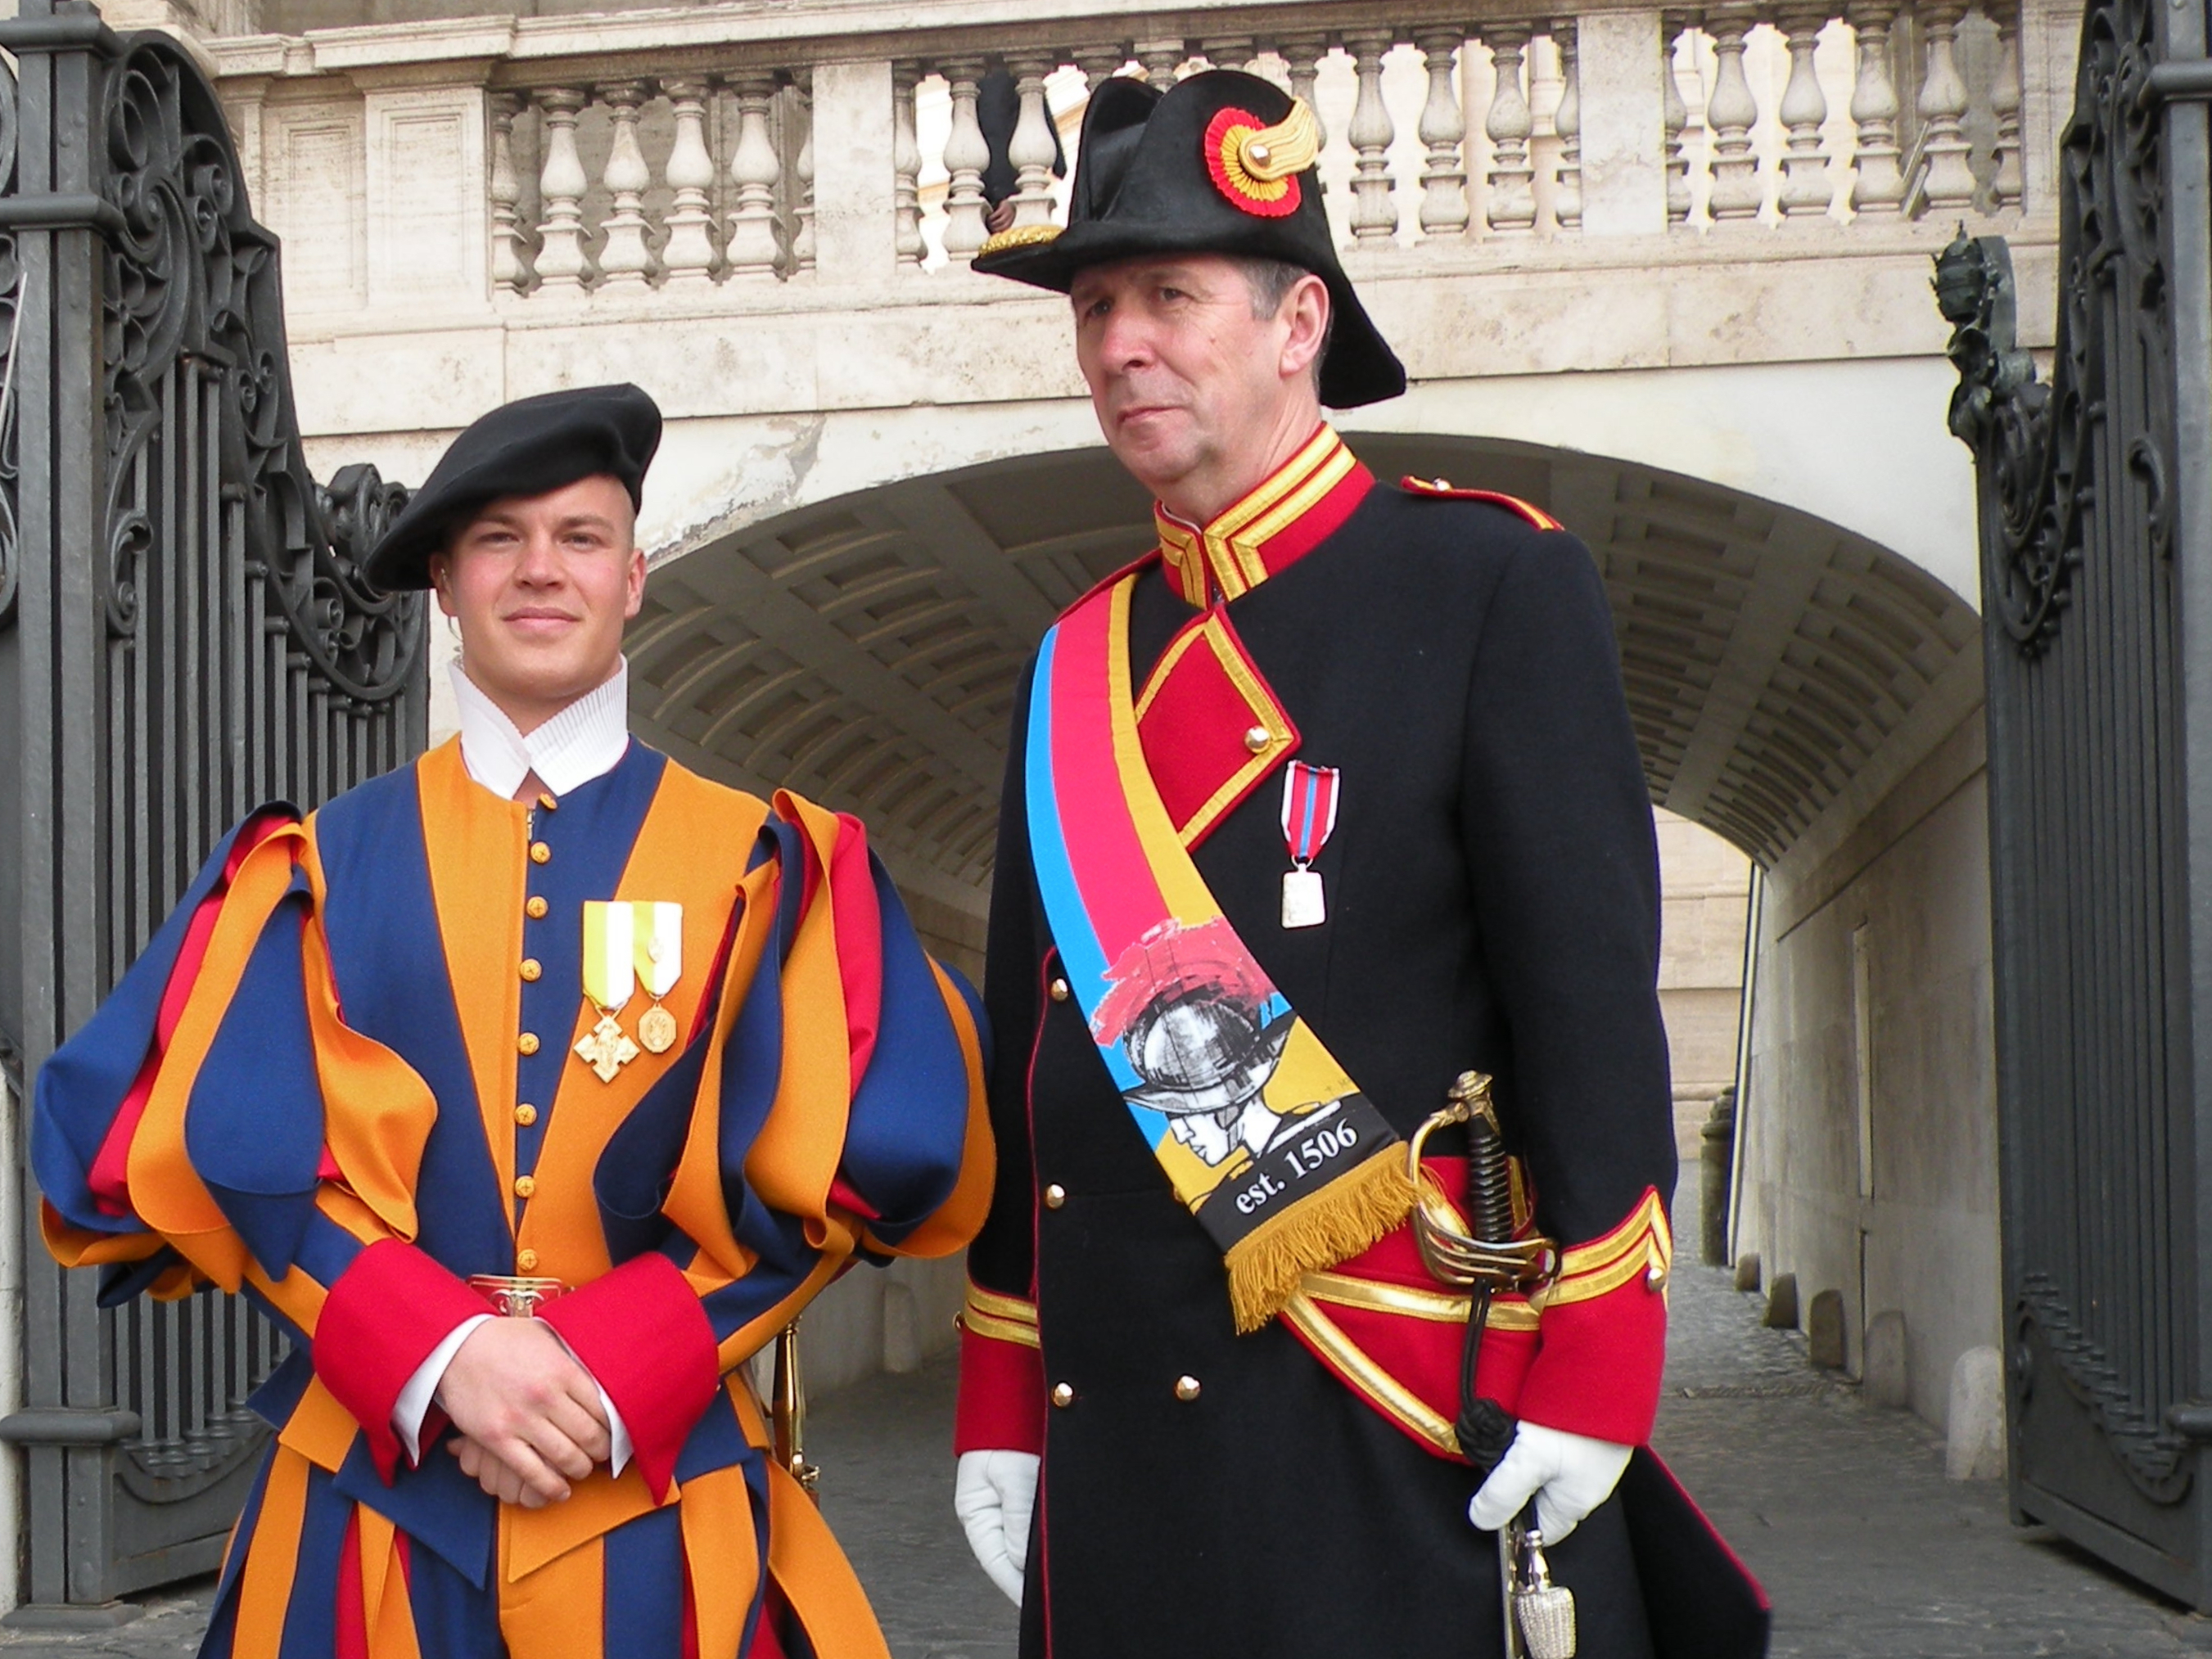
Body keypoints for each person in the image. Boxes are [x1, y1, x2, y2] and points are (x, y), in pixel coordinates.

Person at [950, 70, 1768, 1657]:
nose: (1121, 343)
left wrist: (1599, 1363)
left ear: (1295, 320)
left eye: (1170, 295)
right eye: (1096, 304)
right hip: (1118, 1438)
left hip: (1383, 1408)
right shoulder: (1072, 664)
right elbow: (1021, 1059)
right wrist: (998, 1385)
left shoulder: (1485, 582)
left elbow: (1586, 1007)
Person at [34, 384, 993, 1659]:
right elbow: (242, 1149)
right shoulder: (312, 866)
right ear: (443, 581)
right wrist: (439, 1356)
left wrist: (616, 1367)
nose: (542, 571)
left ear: (635, 577)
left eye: (581, 538)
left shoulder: (763, 865)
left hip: (660, 1496)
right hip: (365, 1503)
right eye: (499, 540)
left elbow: (833, 1167)